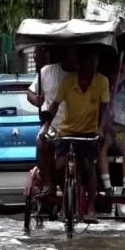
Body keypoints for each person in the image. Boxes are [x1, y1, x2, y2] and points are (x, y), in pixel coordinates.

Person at [40, 47, 110, 223]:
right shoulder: (68, 81)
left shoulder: (102, 81)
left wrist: (100, 129)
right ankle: (65, 202)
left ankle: (92, 208)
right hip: (67, 131)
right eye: (90, 61)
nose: (93, 65)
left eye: (95, 62)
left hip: (89, 133)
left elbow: (106, 109)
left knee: (88, 166)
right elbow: (54, 106)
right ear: (82, 63)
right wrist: (46, 126)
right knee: (61, 165)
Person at [27, 46, 77, 195]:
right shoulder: (47, 71)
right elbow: (31, 93)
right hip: (53, 126)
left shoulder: (82, 75)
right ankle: (48, 183)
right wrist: (35, 99)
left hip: (78, 126)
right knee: (41, 143)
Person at [98, 61, 125, 199]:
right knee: (101, 149)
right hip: (106, 126)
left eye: (121, 71)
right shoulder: (104, 87)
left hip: (122, 127)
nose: (118, 74)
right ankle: (108, 187)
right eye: (115, 71)